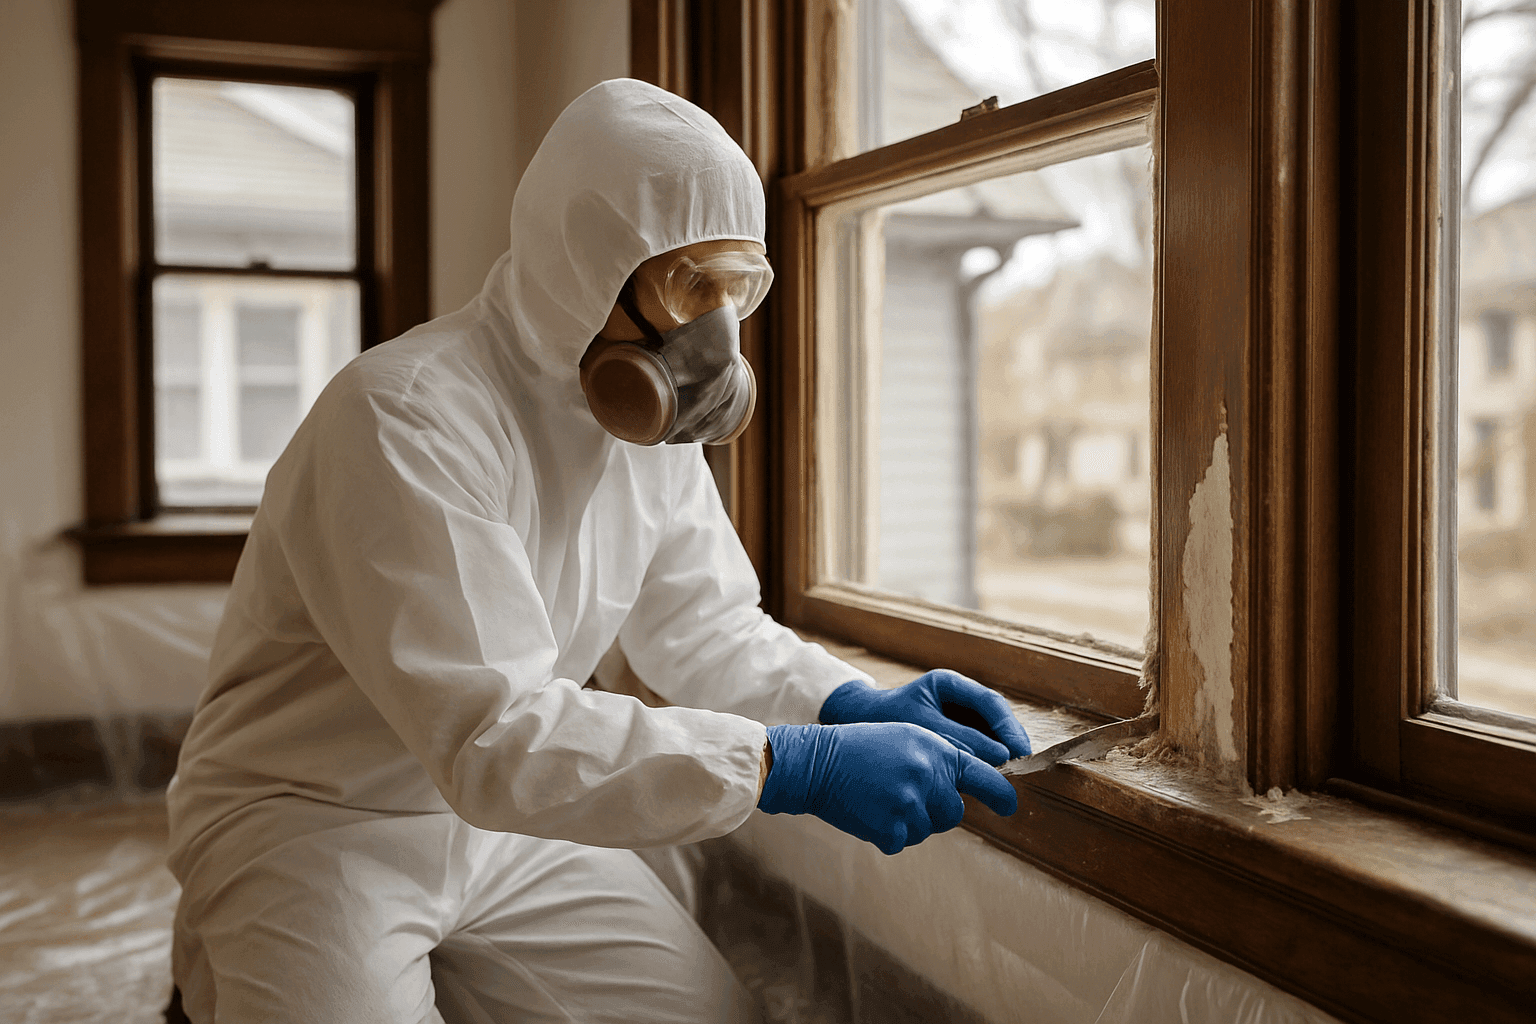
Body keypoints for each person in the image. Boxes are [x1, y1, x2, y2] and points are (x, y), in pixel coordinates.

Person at [165, 78, 1031, 1024]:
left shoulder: (643, 436)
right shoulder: (405, 417)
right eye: (687, 284)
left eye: (732, 288)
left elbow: (701, 626)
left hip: (499, 829)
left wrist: (842, 702)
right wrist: (794, 765)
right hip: (309, 820)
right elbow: (495, 735)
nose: (713, 332)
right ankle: (218, 960)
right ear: (584, 258)